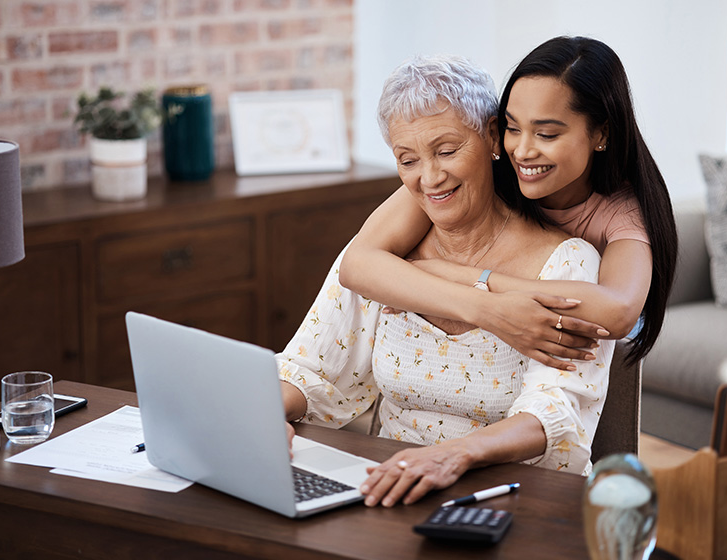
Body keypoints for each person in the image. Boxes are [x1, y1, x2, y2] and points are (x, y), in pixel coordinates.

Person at [277, 54, 614, 509]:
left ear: (493, 137)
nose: (430, 178)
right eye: (407, 159)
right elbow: (310, 369)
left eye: (447, 150)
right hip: (396, 489)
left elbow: (555, 415)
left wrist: (449, 458)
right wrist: (262, 416)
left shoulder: (567, 263)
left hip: (517, 499)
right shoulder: (383, 258)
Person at [339, 36, 678, 369]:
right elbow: (358, 264)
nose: (523, 151)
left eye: (546, 134)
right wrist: (483, 305)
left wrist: (465, 277)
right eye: (512, 128)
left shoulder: (623, 210)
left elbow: (617, 312)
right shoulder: (481, 169)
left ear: (601, 134)